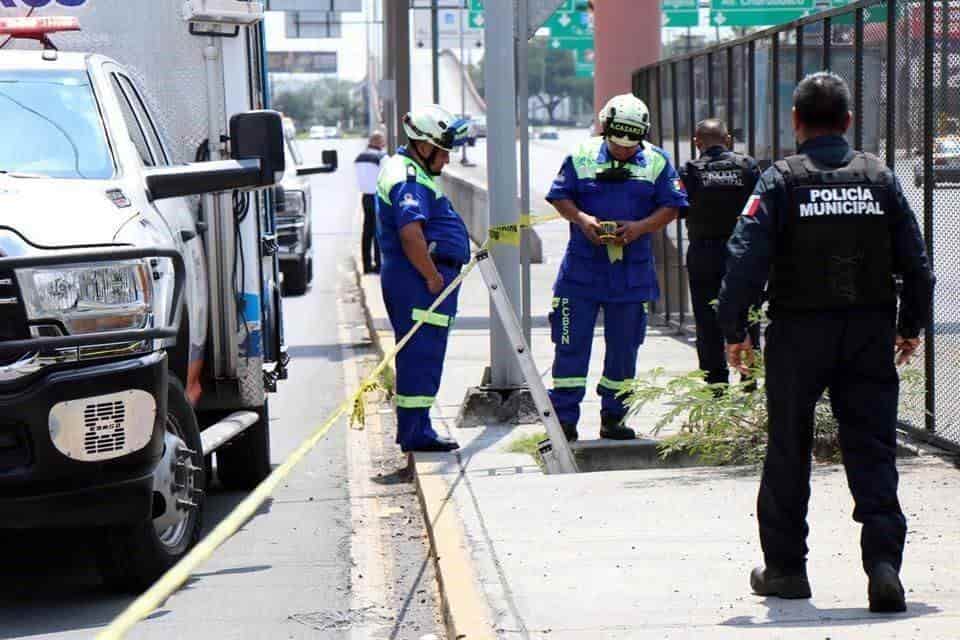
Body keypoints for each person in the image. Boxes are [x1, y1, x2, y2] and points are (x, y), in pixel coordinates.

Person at [718, 72, 934, 613]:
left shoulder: (779, 180)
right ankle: (883, 567)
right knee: (873, 448)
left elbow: (743, 260)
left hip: (797, 335)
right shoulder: (880, 179)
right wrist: (910, 326)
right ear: (847, 121)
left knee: (788, 449)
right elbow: (918, 264)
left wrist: (734, 330)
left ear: (796, 122)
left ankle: (787, 570)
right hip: (868, 332)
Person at [546, 94, 688, 442]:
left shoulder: (657, 161)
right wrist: (582, 220)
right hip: (581, 271)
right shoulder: (580, 156)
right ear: (605, 129)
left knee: (625, 348)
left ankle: (614, 417)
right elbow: (560, 196)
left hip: (631, 274)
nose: (623, 151)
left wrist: (639, 227)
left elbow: (673, 206)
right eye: (616, 144)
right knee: (569, 347)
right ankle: (564, 421)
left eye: (630, 146)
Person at [376, 105, 472, 452]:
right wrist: (433, 278)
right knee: (422, 355)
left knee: (422, 353)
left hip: (417, 279)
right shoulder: (409, 179)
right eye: (444, 151)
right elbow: (411, 235)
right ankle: (417, 433)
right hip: (419, 282)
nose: (446, 160)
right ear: (425, 145)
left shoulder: (407, 169)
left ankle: (417, 427)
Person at [681, 119, 761, 388]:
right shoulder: (747, 166)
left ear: (697, 142)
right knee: (748, 315)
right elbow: (760, 207)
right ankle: (750, 382)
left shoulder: (690, 171)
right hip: (743, 253)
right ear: (727, 140)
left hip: (704, 254)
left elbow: (678, 208)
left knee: (706, 322)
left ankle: (716, 387)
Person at [355, 131, 387, 274]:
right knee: (378, 231)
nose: (384, 143)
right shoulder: (382, 157)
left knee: (367, 231)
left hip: (365, 196)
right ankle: (379, 265)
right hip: (378, 197)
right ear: (378, 142)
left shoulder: (359, 158)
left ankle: (366, 265)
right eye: (383, 140)